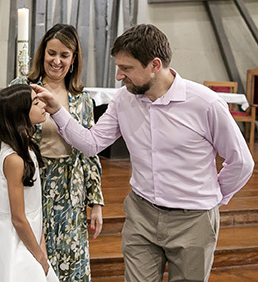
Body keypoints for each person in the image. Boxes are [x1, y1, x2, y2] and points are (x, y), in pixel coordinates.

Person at [33, 24, 254, 281]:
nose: (118, 76)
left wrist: (213, 198)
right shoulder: (123, 100)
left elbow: (241, 161)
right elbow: (92, 143)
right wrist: (58, 110)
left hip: (194, 220)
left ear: (155, 65)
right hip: (141, 215)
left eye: (126, 68)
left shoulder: (205, 103)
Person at [0, 24, 104, 282]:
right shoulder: (23, 86)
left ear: (74, 60)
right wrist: (1, 162)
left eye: (64, 55)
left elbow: (89, 152)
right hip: (30, 182)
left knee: (68, 256)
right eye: (52, 53)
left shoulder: (82, 99)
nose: (57, 60)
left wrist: (96, 202)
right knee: (30, 258)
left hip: (70, 187)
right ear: (42, 53)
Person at [0, 84, 60, 282]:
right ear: (20, 114)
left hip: (31, 230)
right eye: (36, 102)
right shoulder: (14, 159)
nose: (43, 104)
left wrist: (41, 237)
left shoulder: (27, 147)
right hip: (15, 236)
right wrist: (40, 257)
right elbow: (18, 217)